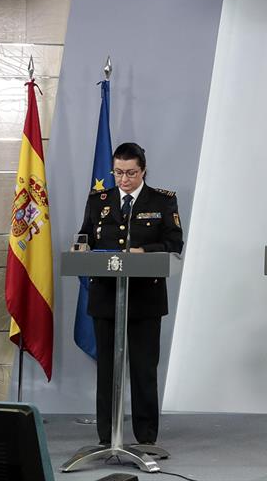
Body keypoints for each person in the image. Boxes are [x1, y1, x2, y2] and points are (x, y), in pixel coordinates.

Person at [78, 142, 183, 447]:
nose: (123, 179)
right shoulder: (99, 200)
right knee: (108, 371)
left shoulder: (163, 201)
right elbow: (85, 237)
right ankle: (107, 436)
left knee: (143, 369)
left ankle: (146, 438)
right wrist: (81, 250)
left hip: (144, 297)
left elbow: (174, 242)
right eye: (118, 172)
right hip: (106, 295)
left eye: (131, 173)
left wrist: (144, 251)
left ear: (143, 171)